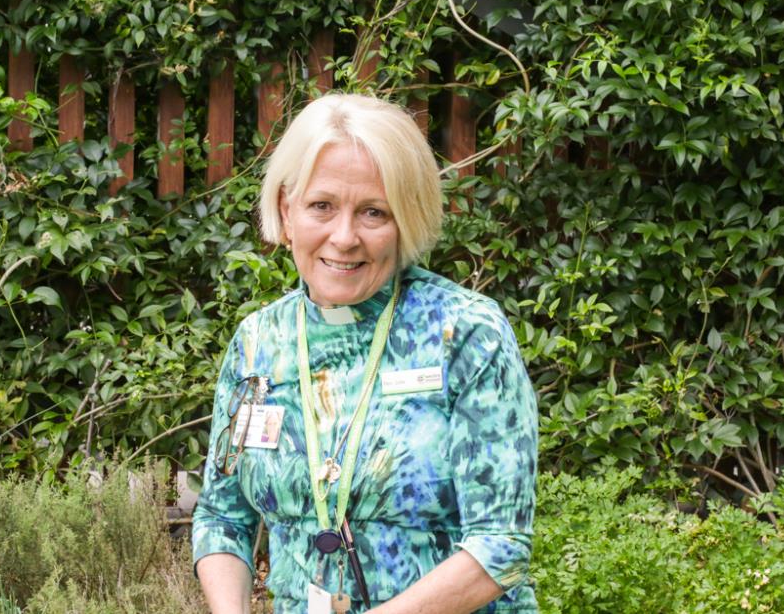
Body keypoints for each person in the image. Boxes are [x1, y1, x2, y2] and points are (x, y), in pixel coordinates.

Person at [192, 93, 538, 613]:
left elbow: (501, 544)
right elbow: (222, 518)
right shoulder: (259, 342)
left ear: (407, 219)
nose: (344, 237)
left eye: (373, 212)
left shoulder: (465, 333)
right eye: (322, 206)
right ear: (287, 210)